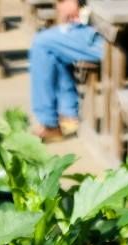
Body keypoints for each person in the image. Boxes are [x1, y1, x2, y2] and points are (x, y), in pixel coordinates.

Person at [29, 0, 104, 140]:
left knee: (42, 43)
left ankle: (50, 122)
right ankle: (67, 115)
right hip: (109, 29)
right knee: (54, 47)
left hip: (106, 35)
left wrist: (75, 4)